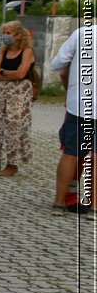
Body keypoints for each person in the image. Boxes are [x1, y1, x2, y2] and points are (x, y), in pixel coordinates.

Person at [50, 22, 95, 214]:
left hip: (80, 103)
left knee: (71, 153)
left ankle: (59, 203)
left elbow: (58, 63)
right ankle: (94, 208)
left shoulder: (82, 34)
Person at [0, 20, 37, 177]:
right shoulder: (4, 51)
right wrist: (9, 74)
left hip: (21, 91)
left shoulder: (27, 51)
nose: (5, 36)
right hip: (3, 91)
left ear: (19, 35)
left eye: (8, 33)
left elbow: (21, 74)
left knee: (14, 126)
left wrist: (3, 72)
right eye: (4, 33)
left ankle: (12, 164)